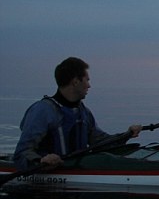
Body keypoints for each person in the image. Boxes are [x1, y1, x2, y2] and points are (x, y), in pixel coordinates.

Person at [13, 57, 142, 171]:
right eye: (87, 80)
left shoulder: (83, 112)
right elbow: (21, 153)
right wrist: (40, 161)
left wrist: (127, 134)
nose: (89, 86)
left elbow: (101, 143)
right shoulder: (42, 111)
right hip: (46, 175)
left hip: (74, 168)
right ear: (75, 82)